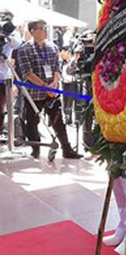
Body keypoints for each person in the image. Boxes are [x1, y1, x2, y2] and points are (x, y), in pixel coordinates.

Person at [16, 20, 81, 159]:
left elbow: (56, 68)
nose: (45, 31)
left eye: (45, 28)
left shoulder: (52, 47)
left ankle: (66, 149)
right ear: (32, 31)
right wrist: (45, 87)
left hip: (52, 92)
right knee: (32, 123)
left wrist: (55, 83)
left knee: (59, 122)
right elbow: (28, 73)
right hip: (34, 94)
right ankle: (36, 150)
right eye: (41, 28)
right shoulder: (24, 49)